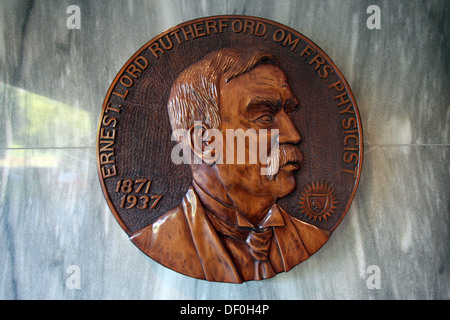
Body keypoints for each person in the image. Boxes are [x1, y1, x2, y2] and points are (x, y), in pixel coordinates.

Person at [130, 48, 330, 283]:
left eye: (289, 112)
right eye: (265, 118)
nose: (293, 135)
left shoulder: (310, 238)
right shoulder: (157, 243)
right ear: (204, 143)